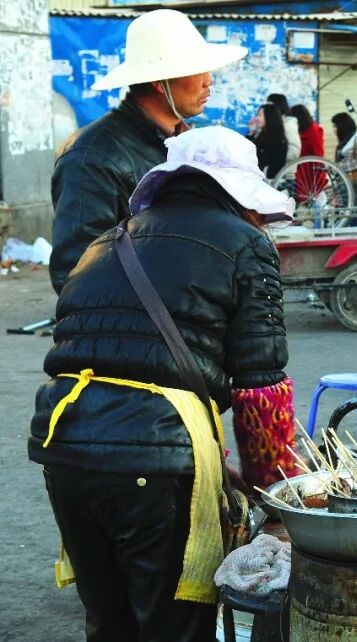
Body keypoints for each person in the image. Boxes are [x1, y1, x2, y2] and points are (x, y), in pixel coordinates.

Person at [28, 127, 295, 640]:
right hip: (153, 461)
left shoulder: (108, 241)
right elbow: (261, 390)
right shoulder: (247, 243)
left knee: (110, 623)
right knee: (174, 627)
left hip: (64, 449)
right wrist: (278, 498)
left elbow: (108, 359)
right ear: (237, 193)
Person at [49, 9, 246, 295]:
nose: (208, 81)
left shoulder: (186, 143)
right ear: (159, 81)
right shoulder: (92, 156)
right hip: (144, 317)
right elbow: (76, 272)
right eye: (197, 70)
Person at [332, 112, 357, 210]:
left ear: (342, 126)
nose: (333, 129)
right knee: (344, 212)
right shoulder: (344, 140)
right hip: (344, 183)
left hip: (355, 182)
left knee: (353, 213)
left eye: (335, 126)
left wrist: (339, 167)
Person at [289, 104, 326, 196]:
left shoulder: (314, 130)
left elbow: (319, 153)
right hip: (302, 167)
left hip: (310, 170)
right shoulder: (301, 130)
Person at [249, 103, 288, 178]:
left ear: (269, 117)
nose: (257, 118)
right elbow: (248, 150)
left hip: (265, 177)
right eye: (257, 115)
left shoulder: (278, 140)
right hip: (255, 172)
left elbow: (274, 168)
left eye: (260, 115)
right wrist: (252, 132)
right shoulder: (263, 134)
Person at [267, 93, 301, 164]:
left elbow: (294, 151)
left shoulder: (289, 124)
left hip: (284, 167)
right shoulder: (274, 123)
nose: (267, 110)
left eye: (270, 107)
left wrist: (275, 158)